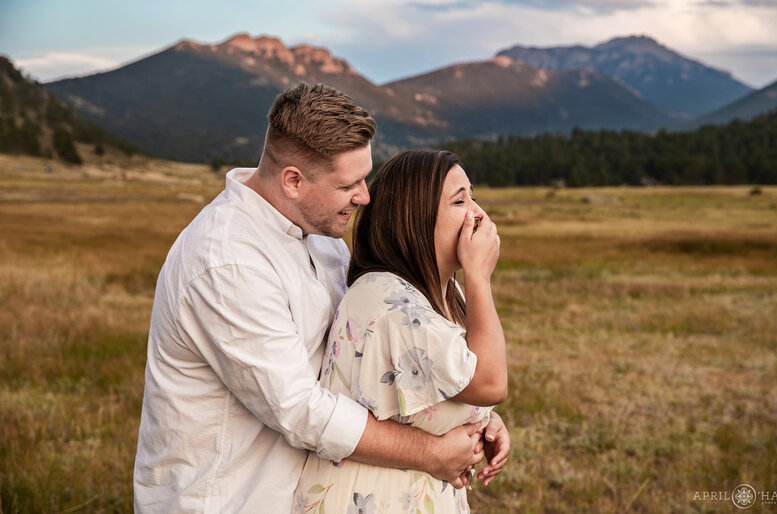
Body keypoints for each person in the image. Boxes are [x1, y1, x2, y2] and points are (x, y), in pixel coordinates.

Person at [133, 83, 509, 513]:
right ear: (293, 180)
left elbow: (363, 363)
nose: (365, 196)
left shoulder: (323, 236)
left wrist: (471, 419)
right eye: (348, 183)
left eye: (364, 177)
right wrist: (431, 453)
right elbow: (300, 409)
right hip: (233, 498)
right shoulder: (228, 262)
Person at [293, 149, 508, 513]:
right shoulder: (390, 299)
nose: (478, 214)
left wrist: (485, 421)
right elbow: (489, 383)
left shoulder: (438, 292)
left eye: (474, 196)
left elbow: (444, 388)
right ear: (415, 217)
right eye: (459, 200)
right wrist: (478, 277)